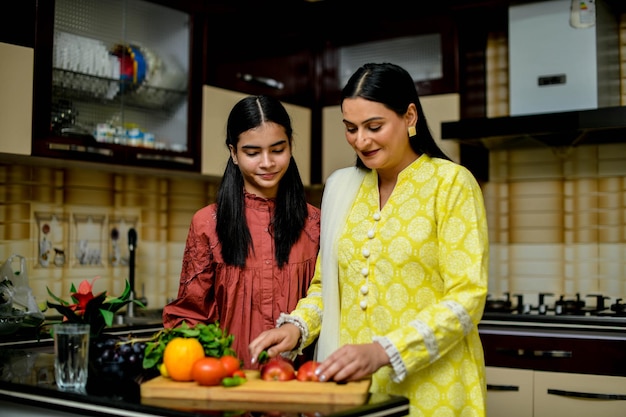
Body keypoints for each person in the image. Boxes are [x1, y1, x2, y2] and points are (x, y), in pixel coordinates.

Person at [249, 63, 489, 416]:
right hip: (357, 388)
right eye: (351, 128)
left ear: (409, 116)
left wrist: (384, 351)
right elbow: (327, 286)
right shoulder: (344, 188)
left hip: (436, 388)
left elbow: (467, 298)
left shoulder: (451, 183)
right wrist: (298, 328)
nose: (361, 140)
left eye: (374, 127)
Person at [163, 95, 321, 369]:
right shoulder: (206, 223)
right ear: (234, 153)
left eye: (277, 149)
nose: (267, 162)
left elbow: (327, 304)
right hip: (229, 385)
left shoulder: (316, 223)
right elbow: (190, 316)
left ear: (291, 146)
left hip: (300, 387)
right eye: (252, 152)